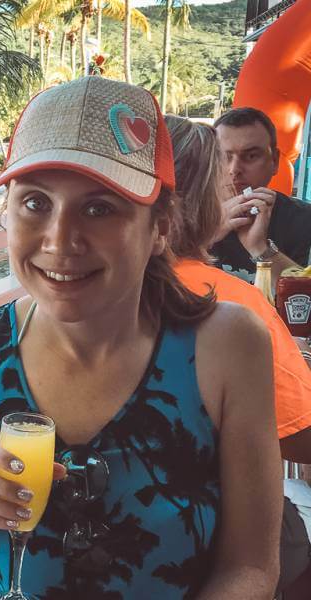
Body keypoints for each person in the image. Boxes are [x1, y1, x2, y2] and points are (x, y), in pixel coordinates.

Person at [0, 77, 281, 598]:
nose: (61, 241)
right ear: (6, 213)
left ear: (161, 228)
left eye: (99, 208)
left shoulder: (226, 345)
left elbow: (252, 567)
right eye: (35, 203)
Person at [166, 115, 311, 596]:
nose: (235, 175)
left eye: (249, 157)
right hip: (215, 539)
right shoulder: (226, 302)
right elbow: (304, 440)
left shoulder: (72, 300)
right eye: (222, 168)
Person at [212, 108, 311, 283]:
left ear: (274, 161)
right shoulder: (184, 213)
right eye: (223, 156)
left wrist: (261, 249)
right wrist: (207, 236)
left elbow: (304, 303)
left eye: (250, 156)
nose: (234, 169)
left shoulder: (304, 220)